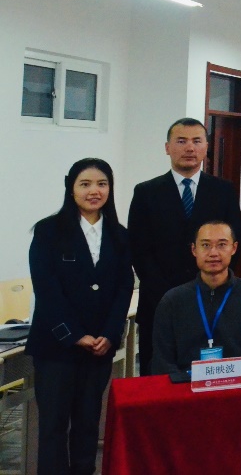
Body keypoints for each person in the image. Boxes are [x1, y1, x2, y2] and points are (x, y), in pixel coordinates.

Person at [28, 158, 132, 475]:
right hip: (57, 348)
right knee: (54, 427)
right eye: (85, 184)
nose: (94, 191)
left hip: (99, 348)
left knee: (88, 426)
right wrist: (73, 335)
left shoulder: (119, 235)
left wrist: (111, 334)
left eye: (102, 184)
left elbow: (124, 288)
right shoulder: (48, 231)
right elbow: (46, 288)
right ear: (71, 189)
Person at [127, 117, 241, 374]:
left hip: (213, 300)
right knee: (159, 380)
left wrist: (208, 285)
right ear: (167, 147)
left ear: (206, 147)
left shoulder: (223, 190)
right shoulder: (146, 192)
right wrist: (172, 294)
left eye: (196, 141)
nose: (190, 148)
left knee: (210, 379)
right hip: (159, 301)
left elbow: (233, 243)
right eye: (181, 141)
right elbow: (139, 250)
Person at [149, 220, 241, 375]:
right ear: (194, 250)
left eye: (222, 245)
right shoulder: (172, 300)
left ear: (234, 248)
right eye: (206, 245)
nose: (213, 253)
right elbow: (162, 362)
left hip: (239, 386)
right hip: (185, 386)